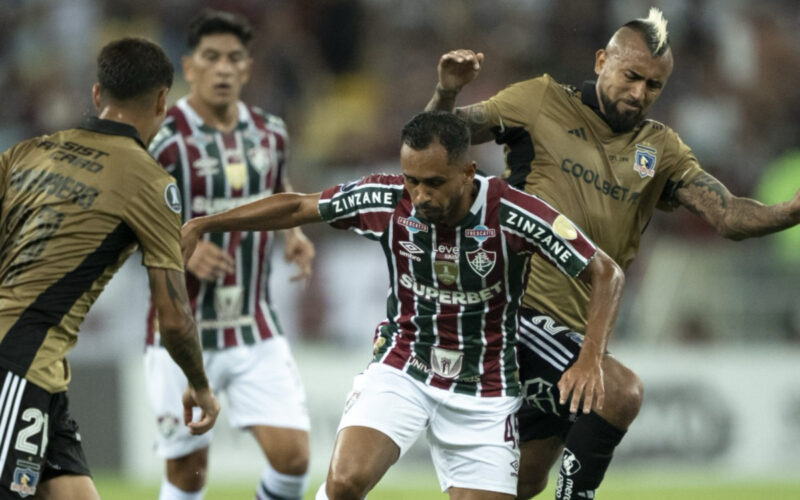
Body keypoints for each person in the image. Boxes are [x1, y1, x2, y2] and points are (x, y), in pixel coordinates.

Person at [425, 7, 800, 500]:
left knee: (519, 485)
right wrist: (448, 92)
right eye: (631, 77)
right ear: (602, 60)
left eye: (654, 86)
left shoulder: (660, 148)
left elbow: (726, 214)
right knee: (619, 393)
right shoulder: (540, 101)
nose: (639, 93)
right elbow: (431, 148)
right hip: (514, 310)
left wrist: (791, 210)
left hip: (580, 331)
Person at [181, 110, 625, 500]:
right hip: (404, 367)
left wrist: (589, 358)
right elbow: (299, 206)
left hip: (484, 388)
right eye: (411, 180)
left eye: (434, 183)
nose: (420, 195)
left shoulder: (514, 213)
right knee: (345, 482)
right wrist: (206, 224)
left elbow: (605, 273)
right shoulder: (388, 198)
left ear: (469, 171)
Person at [0, 37, 219, 500]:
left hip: (43, 372)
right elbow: (174, 318)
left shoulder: (27, 153)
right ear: (163, 100)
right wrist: (199, 384)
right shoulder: (150, 183)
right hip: (17, 363)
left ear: (98, 95)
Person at [142, 10, 315, 500]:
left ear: (247, 68)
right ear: (189, 66)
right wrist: (180, 251)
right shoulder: (163, 136)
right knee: (189, 471)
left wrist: (293, 235)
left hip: (254, 325)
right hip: (180, 327)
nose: (222, 68)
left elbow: (276, 186)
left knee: (294, 461)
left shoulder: (270, 132)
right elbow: (126, 217)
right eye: (211, 58)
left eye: (233, 59)